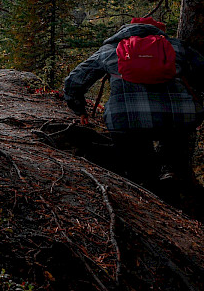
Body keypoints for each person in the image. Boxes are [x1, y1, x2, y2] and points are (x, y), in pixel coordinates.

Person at [63, 17, 204, 188]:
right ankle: (171, 172)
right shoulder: (178, 47)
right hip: (179, 117)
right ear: (158, 32)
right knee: (175, 139)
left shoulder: (109, 50)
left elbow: (73, 81)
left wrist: (79, 108)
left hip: (126, 119)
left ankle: (145, 184)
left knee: (137, 161)